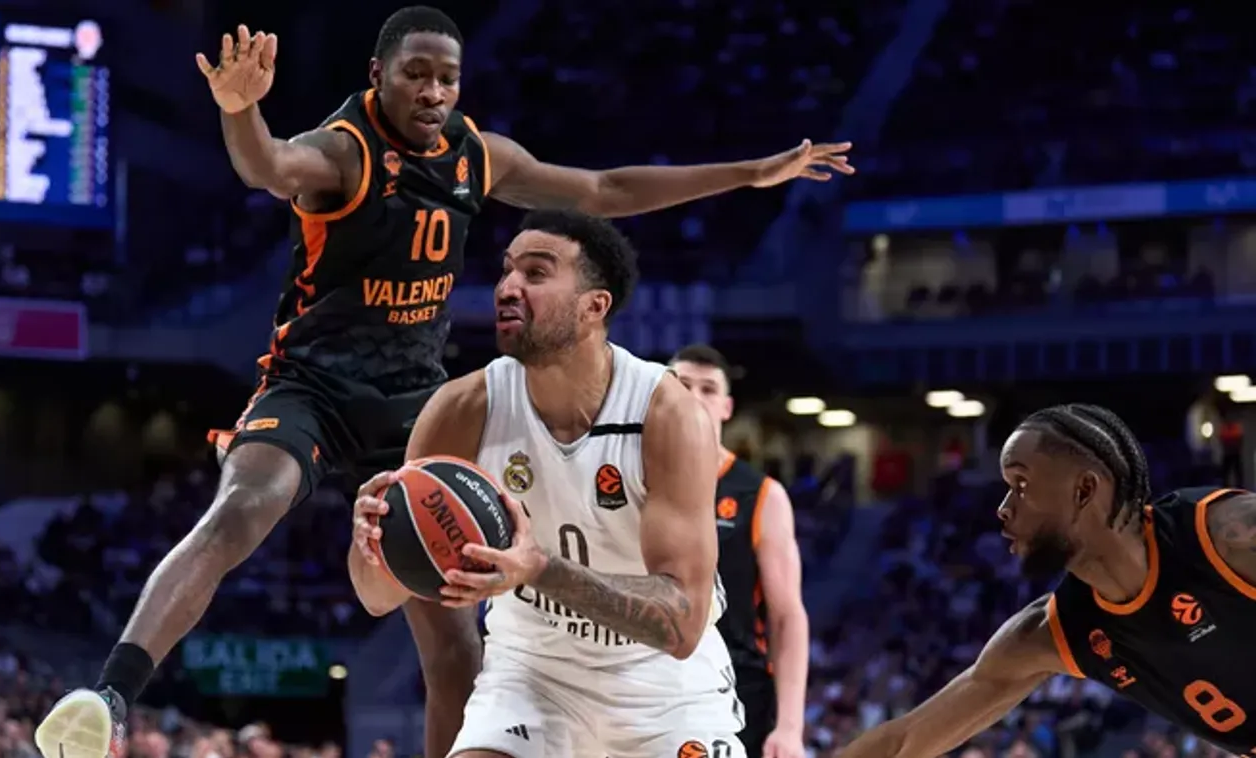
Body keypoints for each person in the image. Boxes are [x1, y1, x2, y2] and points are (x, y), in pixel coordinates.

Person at [33, 7, 853, 758]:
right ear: (378, 75)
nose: (431, 91)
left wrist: (751, 173)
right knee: (244, 506)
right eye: (415, 74)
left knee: (452, 634)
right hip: (312, 384)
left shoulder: (476, 155)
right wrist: (239, 111)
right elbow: (270, 167)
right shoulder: (344, 150)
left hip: (411, 399)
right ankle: (111, 694)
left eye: (446, 78)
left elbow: (602, 190)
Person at [350, 210, 743, 758]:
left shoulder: (667, 414)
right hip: (531, 676)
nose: (508, 288)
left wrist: (540, 570)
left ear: (594, 306)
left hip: (661, 688)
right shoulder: (463, 409)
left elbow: (682, 624)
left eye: (535, 273)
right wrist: (372, 542)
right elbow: (375, 596)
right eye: (506, 271)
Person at [836, 403, 1256, 757]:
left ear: (1084, 490)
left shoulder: (1224, 537)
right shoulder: (1053, 632)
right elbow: (904, 741)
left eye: (1021, 484)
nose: (1003, 508)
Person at [670, 344, 810, 758]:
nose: (694, 397)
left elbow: (787, 616)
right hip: (647, 682)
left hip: (736, 691)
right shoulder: (627, 479)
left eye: (708, 389)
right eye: (682, 385)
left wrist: (790, 727)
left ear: (726, 407)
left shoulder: (760, 494)